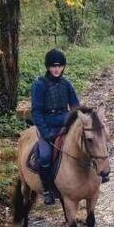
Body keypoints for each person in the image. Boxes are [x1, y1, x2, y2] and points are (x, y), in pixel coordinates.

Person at [31, 49, 80, 205]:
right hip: (47, 126)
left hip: (65, 125)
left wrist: (76, 124)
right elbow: (36, 111)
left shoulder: (67, 84)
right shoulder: (40, 85)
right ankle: (47, 191)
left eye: (59, 66)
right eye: (53, 66)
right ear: (48, 67)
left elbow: (75, 106)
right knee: (45, 156)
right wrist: (45, 133)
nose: (56, 69)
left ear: (63, 67)